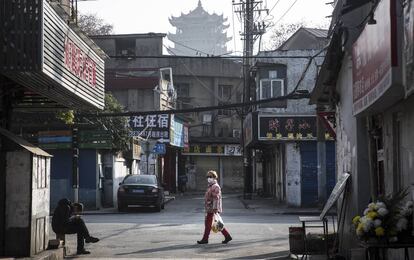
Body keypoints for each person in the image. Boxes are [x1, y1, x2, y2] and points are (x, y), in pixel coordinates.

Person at [197, 170, 232, 244]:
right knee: (215, 224)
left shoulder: (215, 186)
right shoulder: (211, 186)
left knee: (209, 224)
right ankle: (227, 236)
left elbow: (216, 198)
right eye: (207, 177)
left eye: (210, 176)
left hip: (212, 208)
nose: (208, 178)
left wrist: (215, 208)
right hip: (210, 208)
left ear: (214, 177)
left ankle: (205, 239)